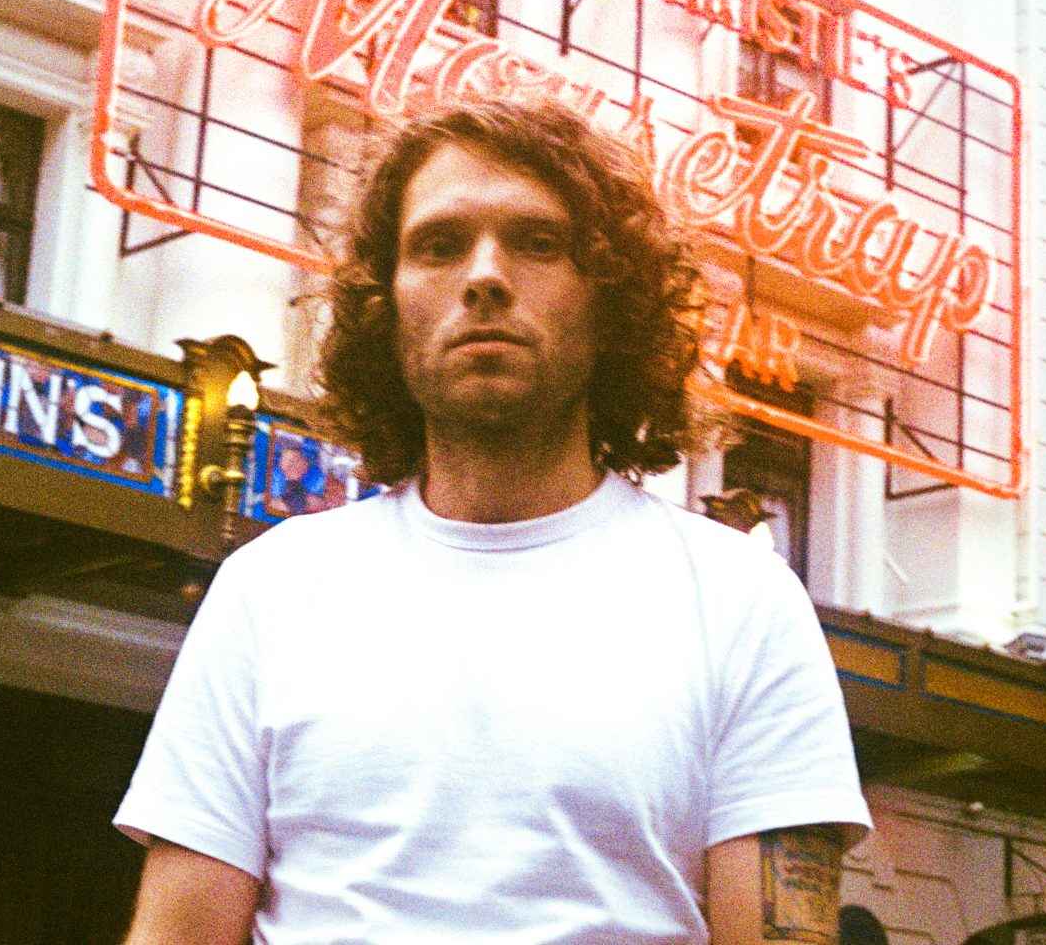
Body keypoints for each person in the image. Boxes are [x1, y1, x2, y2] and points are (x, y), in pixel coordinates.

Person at [114, 96, 871, 944]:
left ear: (610, 299)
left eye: (538, 242)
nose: (484, 275)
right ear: (386, 302)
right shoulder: (270, 588)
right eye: (438, 245)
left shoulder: (741, 599)